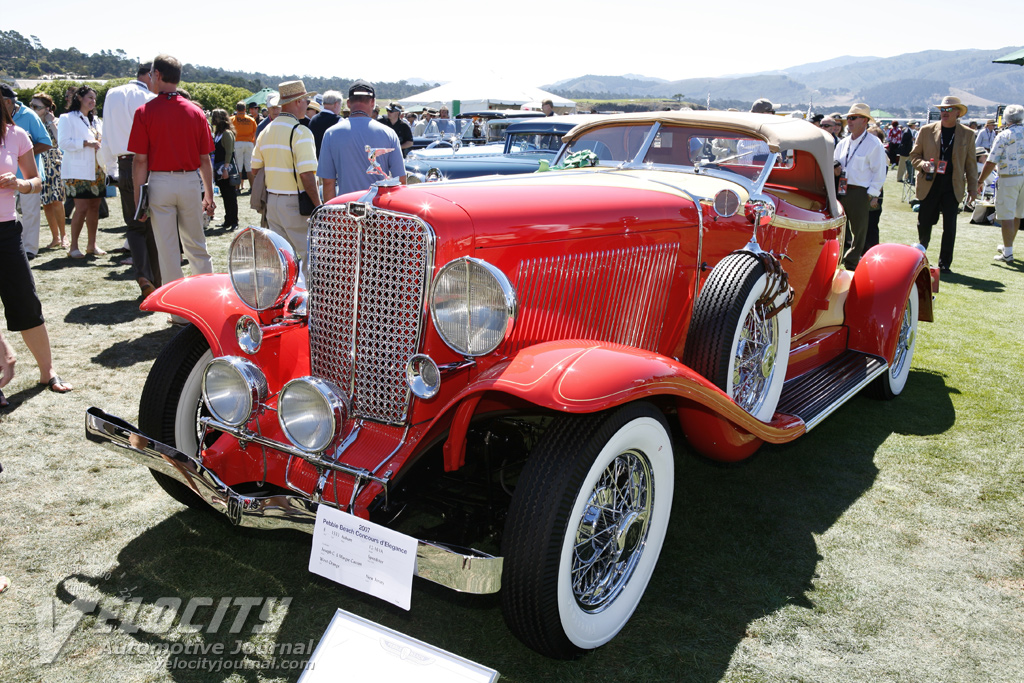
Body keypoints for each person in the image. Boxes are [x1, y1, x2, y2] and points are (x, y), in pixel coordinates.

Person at [128, 54, 215, 323]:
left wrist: (138, 198)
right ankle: (206, 305)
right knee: (196, 246)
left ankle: (178, 313)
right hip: (190, 181)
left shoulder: (145, 112)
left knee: (167, 250)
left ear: (156, 75)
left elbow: (140, 161)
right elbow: (205, 160)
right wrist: (209, 194)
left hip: (160, 182)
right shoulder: (195, 111)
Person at [0, 101, 72, 394]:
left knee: (26, 302)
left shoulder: (15, 134)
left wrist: (18, 183)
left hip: (6, 230)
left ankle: (48, 372)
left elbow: (36, 181)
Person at [100, 62, 160, 296]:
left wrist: (111, 169)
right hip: (147, 162)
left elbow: (106, 135)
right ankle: (157, 279)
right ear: (149, 76)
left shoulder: (113, 94)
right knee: (152, 224)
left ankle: (144, 276)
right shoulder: (148, 98)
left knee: (134, 226)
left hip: (124, 164)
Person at [251, 80, 321, 271]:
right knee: (310, 254)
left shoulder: (266, 130)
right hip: (295, 204)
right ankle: (310, 300)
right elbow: (307, 175)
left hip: (272, 202)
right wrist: (318, 205)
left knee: (282, 258)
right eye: (306, 100)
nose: (308, 104)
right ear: (298, 102)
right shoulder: (300, 132)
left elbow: (255, 168)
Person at [910, 95, 978, 272]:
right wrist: (922, 164)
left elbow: (971, 164)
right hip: (929, 182)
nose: (944, 112)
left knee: (950, 226)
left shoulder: (968, 134)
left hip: (953, 185)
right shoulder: (926, 130)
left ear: (958, 113)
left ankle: (944, 264)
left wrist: (972, 188)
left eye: (948, 109)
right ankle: (921, 255)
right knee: (924, 221)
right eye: (942, 109)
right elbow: (914, 155)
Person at [318, 80, 406, 201]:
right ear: (373, 102)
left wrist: (331, 214)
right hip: (379, 211)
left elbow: (328, 182)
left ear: (348, 103)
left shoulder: (331, 133)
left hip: (346, 210)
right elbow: (400, 180)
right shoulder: (388, 133)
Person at [833, 103, 887, 270]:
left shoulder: (874, 143)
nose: (849, 121)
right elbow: (835, 161)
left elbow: (879, 171)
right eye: (848, 118)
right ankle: (838, 258)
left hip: (859, 191)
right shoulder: (843, 143)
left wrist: (871, 195)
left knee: (859, 230)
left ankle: (852, 262)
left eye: (853, 118)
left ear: (864, 121)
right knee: (840, 229)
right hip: (841, 189)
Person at [1, 84, 52, 260]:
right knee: (12, 215)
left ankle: (30, 249)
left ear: (7, 102)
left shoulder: (28, 115)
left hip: (27, 176)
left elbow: (46, 142)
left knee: (30, 212)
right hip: (6, 177)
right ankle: (17, 245)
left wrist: (21, 156)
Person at [58, 86, 107, 258]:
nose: (93, 101)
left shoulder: (97, 121)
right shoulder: (67, 118)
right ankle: (73, 247)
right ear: (79, 98)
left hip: (97, 170)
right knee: (82, 208)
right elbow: (63, 143)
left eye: (94, 99)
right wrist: (85, 143)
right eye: (89, 98)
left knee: (95, 207)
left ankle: (92, 245)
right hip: (77, 171)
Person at [979, 104, 1024, 263]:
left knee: (1007, 216)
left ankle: (1008, 252)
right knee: (1018, 214)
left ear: (1006, 119)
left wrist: (980, 180)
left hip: (1009, 178)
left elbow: (991, 161)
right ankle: (1008, 247)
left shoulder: (1004, 135)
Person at [29, 93, 66, 250]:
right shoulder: (33, 123)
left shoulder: (57, 121)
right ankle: (55, 237)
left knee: (57, 200)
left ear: (48, 109)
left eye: (36, 107)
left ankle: (64, 236)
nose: (32, 109)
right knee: (46, 203)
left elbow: (61, 142)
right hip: (39, 165)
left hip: (55, 164)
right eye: (31, 106)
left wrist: (51, 123)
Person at [210, 109, 238, 230]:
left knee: (230, 195)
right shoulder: (218, 134)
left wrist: (226, 169)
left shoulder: (227, 133)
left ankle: (234, 221)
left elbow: (229, 153)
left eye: (214, 117)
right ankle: (228, 220)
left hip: (226, 169)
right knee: (225, 195)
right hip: (219, 169)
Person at [230, 101, 258, 194]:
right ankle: (253, 187)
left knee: (238, 166)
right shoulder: (251, 119)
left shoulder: (232, 119)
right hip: (249, 143)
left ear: (236, 109)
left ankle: (237, 188)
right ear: (245, 109)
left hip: (237, 143)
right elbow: (255, 132)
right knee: (249, 166)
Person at [309, 90, 344, 158]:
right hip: (330, 160)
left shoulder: (313, 119)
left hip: (314, 160)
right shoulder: (339, 121)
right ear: (336, 104)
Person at [897, 121, 917, 185]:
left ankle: (908, 177)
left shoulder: (911, 131)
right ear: (912, 125)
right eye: (914, 125)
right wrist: (911, 140)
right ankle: (899, 178)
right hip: (905, 151)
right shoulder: (906, 132)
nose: (915, 126)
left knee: (910, 165)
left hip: (910, 151)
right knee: (902, 166)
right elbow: (903, 142)